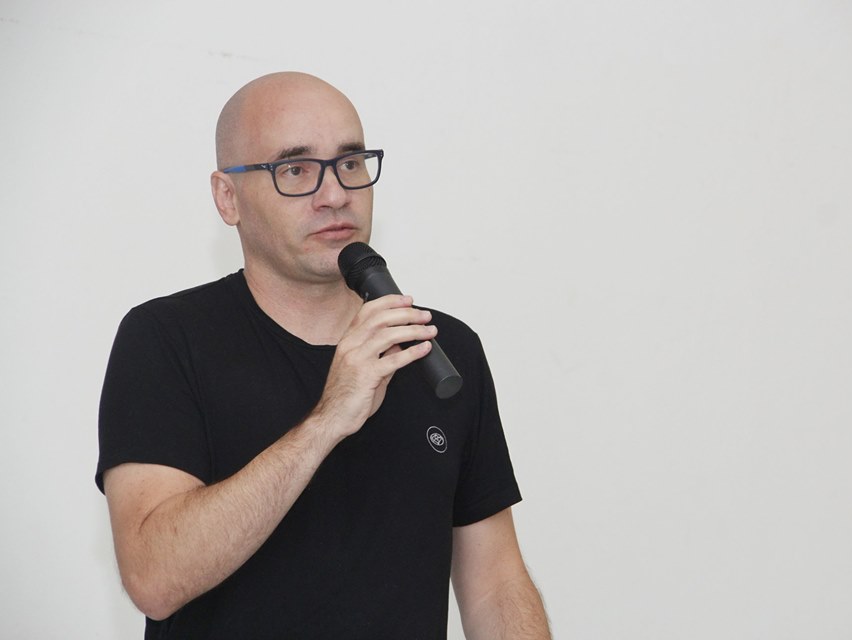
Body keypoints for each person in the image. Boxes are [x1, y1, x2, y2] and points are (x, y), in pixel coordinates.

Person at [96, 72, 550, 639]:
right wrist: (327, 419)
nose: (335, 194)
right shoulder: (166, 340)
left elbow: (495, 585)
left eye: (350, 163)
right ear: (228, 197)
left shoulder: (440, 347)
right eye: (296, 170)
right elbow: (154, 579)